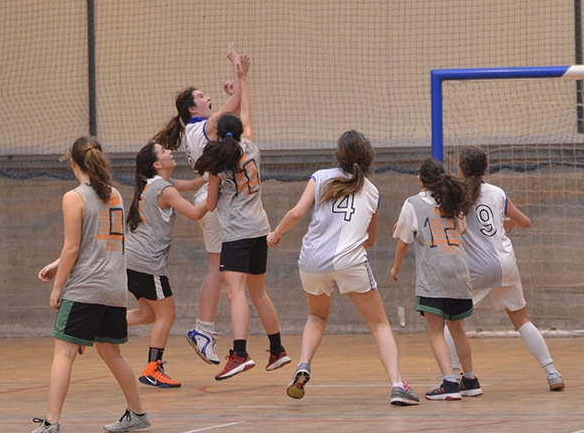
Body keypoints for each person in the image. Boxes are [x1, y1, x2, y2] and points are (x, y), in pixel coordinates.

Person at [267, 130, 419, 406]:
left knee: (316, 316)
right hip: (350, 261)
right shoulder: (372, 192)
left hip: (312, 260)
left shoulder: (320, 177)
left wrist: (276, 234)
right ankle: (398, 385)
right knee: (378, 323)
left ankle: (303, 364)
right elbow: (369, 240)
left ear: (338, 155)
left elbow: (297, 212)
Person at [32, 136, 150, 433]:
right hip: (114, 288)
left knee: (63, 353)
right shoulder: (115, 194)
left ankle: (51, 423)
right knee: (111, 352)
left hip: (85, 288)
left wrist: (57, 288)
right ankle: (138, 413)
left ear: (73, 163)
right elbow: (94, 241)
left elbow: (73, 247)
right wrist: (57, 264)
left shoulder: (74, 197)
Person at [194, 54, 290, 381]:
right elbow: (246, 112)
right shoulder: (251, 148)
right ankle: (277, 350)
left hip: (236, 234)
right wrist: (243, 78)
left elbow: (209, 205)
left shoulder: (217, 165)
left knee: (235, 292)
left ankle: (240, 354)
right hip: (260, 229)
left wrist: (213, 189)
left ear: (218, 134)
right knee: (258, 293)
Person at [444, 146, 564, 391]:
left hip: (475, 268)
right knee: (521, 320)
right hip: (505, 264)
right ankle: (552, 372)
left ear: (460, 168)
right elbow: (526, 222)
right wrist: (507, 222)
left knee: (452, 322)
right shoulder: (498, 193)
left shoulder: (455, 194)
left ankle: (453, 378)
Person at [154, 43, 243, 366]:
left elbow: (232, 117)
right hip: (213, 201)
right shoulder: (202, 127)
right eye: (203, 97)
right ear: (192, 108)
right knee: (226, 273)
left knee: (218, 269)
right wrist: (237, 68)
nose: (209, 99)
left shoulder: (198, 131)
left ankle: (203, 330)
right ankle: (208, 332)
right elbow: (235, 109)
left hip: (207, 197)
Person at [391, 157, 480, 401]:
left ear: (420, 179)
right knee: (457, 328)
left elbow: (403, 241)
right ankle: (470, 380)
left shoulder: (412, 203)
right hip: (459, 270)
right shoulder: (452, 199)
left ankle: (449, 382)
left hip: (435, 274)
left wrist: (395, 268)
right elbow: (461, 229)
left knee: (435, 331)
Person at [125, 142, 208, 388]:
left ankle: (96, 325)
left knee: (148, 314)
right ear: (156, 164)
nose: (170, 152)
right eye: (163, 151)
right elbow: (195, 213)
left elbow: (194, 184)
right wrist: (216, 194)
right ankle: (153, 369)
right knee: (167, 315)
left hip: (131, 261)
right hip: (146, 263)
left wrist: (213, 174)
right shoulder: (164, 189)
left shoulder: (158, 184)